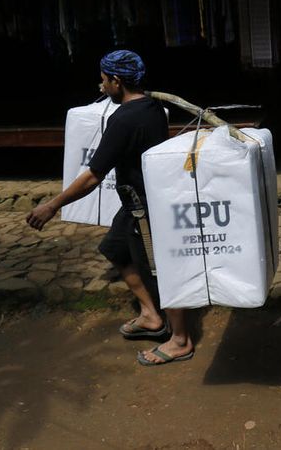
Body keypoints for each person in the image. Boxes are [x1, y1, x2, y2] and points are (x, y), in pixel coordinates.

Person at [26, 50, 191, 366]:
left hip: (145, 209)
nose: (100, 86)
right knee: (115, 250)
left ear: (117, 81)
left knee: (160, 273)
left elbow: (92, 176)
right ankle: (150, 316)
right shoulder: (154, 107)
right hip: (134, 202)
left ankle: (180, 340)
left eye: (104, 80)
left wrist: (52, 206)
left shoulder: (123, 120)